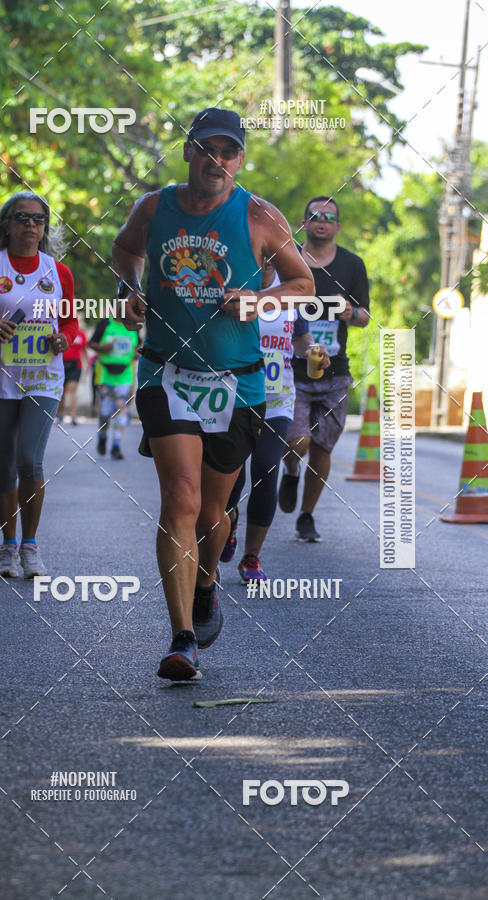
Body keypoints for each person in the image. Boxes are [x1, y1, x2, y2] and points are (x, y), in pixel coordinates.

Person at [112, 107, 314, 681]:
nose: (216, 161)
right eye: (207, 149)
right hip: (166, 372)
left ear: (239, 161)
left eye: (228, 153)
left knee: (211, 511)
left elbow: (303, 283)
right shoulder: (153, 208)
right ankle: (180, 641)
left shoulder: (257, 216)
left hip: (238, 381)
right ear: (188, 152)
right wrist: (129, 288)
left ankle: (206, 582)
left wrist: (260, 301)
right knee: (179, 495)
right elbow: (125, 251)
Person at [0, 191, 78, 578]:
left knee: (29, 459)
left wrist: (64, 339)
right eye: (22, 217)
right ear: (7, 224)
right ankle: (7, 546)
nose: (31, 225)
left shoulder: (59, 273)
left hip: (44, 379)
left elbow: (70, 322)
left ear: (45, 227)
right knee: (4, 466)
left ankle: (30, 546)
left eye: (39, 219)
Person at [222, 276, 330, 581]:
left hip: (277, 398)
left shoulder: (292, 286)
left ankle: (251, 557)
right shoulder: (238, 276)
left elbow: (301, 339)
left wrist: (313, 350)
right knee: (230, 475)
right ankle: (227, 523)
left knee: (267, 469)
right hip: (235, 396)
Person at [278, 196, 370, 541]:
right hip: (291, 368)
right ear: (304, 223)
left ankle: (306, 515)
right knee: (297, 441)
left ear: (337, 226)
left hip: (335, 373)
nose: (322, 221)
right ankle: (290, 470)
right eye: (315, 215)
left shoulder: (352, 265)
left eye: (329, 217)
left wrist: (350, 313)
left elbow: (365, 316)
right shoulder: (286, 259)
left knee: (322, 448)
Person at [88, 316, 140, 459]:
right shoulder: (105, 324)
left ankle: (116, 445)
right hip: (105, 374)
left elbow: (139, 347)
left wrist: (138, 353)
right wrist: (103, 348)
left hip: (125, 375)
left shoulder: (133, 325)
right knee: (105, 412)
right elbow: (91, 343)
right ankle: (103, 437)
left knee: (121, 410)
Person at [56, 328, 89, 425]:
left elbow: (84, 350)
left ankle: (73, 416)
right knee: (62, 392)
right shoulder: (60, 331)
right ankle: (60, 414)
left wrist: (88, 364)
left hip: (76, 366)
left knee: (72, 391)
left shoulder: (81, 334)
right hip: (61, 365)